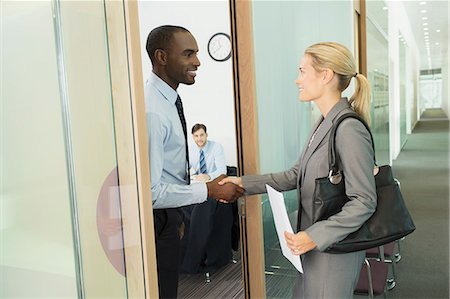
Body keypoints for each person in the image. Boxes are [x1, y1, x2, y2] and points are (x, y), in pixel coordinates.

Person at [220, 42, 377, 298]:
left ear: (326, 75)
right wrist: (242, 183)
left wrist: (314, 236)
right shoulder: (324, 122)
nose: (297, 80)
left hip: (333, 252)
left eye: (303, 71)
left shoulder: (348, 128)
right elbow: (296, 175)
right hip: (314, 248)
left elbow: (364, 202)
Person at [144, 25, 243, 298]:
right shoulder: (153, 110)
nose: (197, 61)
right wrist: (209, 190)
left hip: (169, 217)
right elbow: (150, 192)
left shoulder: (169, 100)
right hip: (157, 219)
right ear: (162, 57)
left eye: (197, 53)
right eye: (189, 54)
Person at [180, 124, 233, 274]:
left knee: (203, 210)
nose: (199, 139)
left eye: (201, 135)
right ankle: (187, 256)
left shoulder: (216, 148)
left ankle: (200, 257)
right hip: (197, 188)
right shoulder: (190, 149)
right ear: (192, 137)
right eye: (196, 136)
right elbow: (185, 170)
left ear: (206, 135)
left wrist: (208, 176)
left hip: (213, 186)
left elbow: (222, 171)